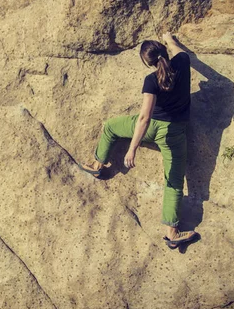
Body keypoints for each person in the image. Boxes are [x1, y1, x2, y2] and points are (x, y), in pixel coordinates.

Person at [78, 32, 198, 249]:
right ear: (164, 51)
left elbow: (144, 118)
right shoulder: (183, 62)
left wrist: (132, 149)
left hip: (153, 128)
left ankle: (98, 164)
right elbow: (177, 48)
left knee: (111, 127)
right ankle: (171, 232)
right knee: (174, 182)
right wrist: (169, 37)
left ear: (147, 63)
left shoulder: (151, 81)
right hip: (175, 133)